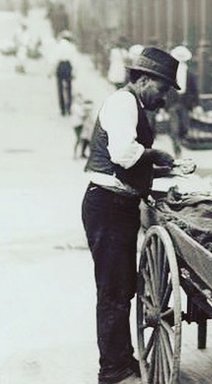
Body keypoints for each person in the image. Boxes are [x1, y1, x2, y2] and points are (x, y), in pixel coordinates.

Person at [81, 47, 181, 384]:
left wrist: (159, 173)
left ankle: (122, 359)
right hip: (106, 206)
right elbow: (123, 155)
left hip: (118, 205)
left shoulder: (134, 104)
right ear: (144, 80)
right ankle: (111, 370)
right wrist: (158, 156)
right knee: (112, 290)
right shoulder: (123, 102)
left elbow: (132, 166)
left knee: (122, 287)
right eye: (162, 89)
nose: (164, 98)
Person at [165, 45, 200, 158]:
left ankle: (179, 140)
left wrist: (196, 104)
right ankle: (177, 149)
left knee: (184, 127)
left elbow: (195, 90)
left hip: (185, 103)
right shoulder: (169, 73)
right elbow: (164, 88)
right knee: (174, 128)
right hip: (173, 103)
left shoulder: (190, 73)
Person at [49, 30, 78, 116]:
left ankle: (62, 110)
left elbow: (54, 59)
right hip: (68, 66)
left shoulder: (58, 46)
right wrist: (74, 72)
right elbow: (74, 60)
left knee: (60, 88)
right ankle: (69, 108)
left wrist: (51, 71)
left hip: (60, 66)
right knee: (69, 87)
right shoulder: (72, 47)